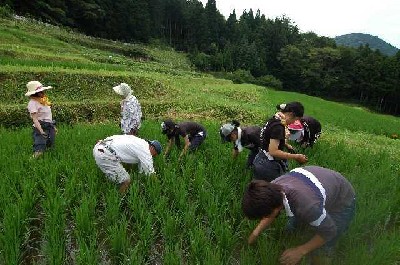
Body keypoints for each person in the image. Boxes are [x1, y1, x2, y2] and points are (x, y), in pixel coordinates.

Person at [242, 166, 356, 265]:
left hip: (342, 199)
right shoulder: (272, 188)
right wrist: (255, 233)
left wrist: (300, 251)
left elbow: (330, 231)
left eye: (263, 215)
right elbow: (270, 212)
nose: (264, 218)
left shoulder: (307, 206)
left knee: (322, 249)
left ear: (275, 208)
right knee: (291, 230)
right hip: (315, 183)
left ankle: (323, 253)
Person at [253, 102, 308, 182]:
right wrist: (296, 157)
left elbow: (269, 139)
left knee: (259, 190)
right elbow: (273, 151)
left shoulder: (275, 118)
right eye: (295, 120)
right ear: (291, 114)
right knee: (271, 191)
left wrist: (285, 143)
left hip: (260, 158)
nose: (293, 123)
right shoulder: (278, 127)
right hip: (268, 165)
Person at [93, 135, 162, 193]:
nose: (152, 157)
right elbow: (150, 173)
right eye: (154, 155)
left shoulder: (140, 142)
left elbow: (128, 159)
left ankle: (110, 187)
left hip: (100, 146)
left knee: (116, 177)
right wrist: (159, 188)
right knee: (126, 181)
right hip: (105, 155)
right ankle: (118, 201)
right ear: (153, 149)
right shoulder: (146, 152)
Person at [25, 80, 57, 158]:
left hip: (49, 126)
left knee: (50, 146)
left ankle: (47, 161)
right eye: (41, 91)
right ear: (35, 93)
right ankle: (30, 162)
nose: (43, 93)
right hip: (41, 126)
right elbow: (35, 119)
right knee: (40, 148)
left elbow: (48, 116)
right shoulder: (32, 103)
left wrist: (53, 127)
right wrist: (41, 131)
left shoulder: (43, 100)